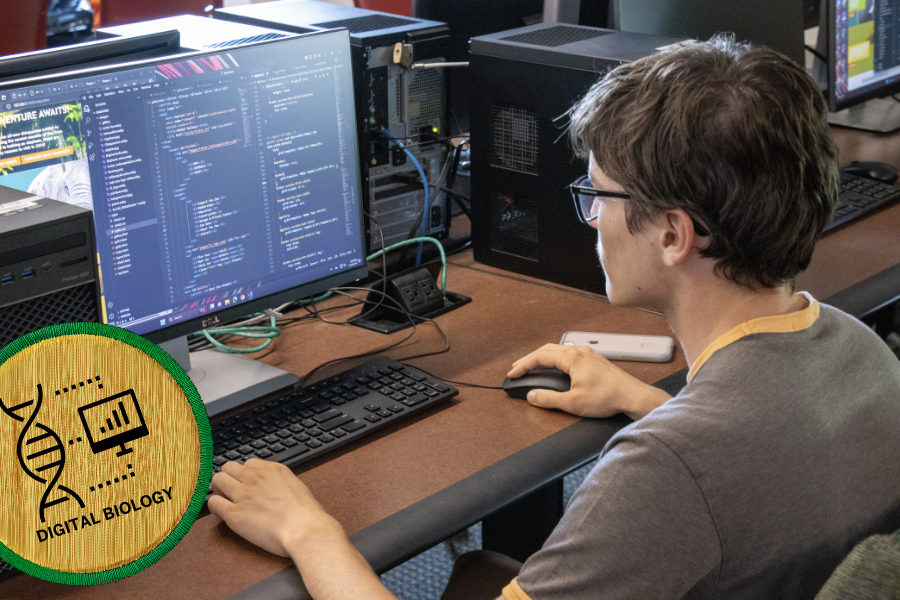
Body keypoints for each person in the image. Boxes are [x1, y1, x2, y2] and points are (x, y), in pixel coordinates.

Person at [208, 36, 900, 599]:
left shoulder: (662, 470)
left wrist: (308, 531)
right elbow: (756, 453)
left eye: (598, 194)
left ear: (673, 234)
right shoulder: (864, 352)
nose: (593, 217)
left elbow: (694, 469)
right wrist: (640, 400)